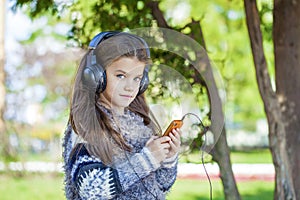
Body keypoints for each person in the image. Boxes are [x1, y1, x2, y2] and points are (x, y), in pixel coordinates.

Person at [62, 31, 182, 200]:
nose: (130, 87)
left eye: (137, 78)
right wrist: (147, 159)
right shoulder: (87, 126)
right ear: (97, 76)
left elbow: (162, 186)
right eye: (120, 76)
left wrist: (167, 158)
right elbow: (92, 189)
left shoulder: (140, 125)